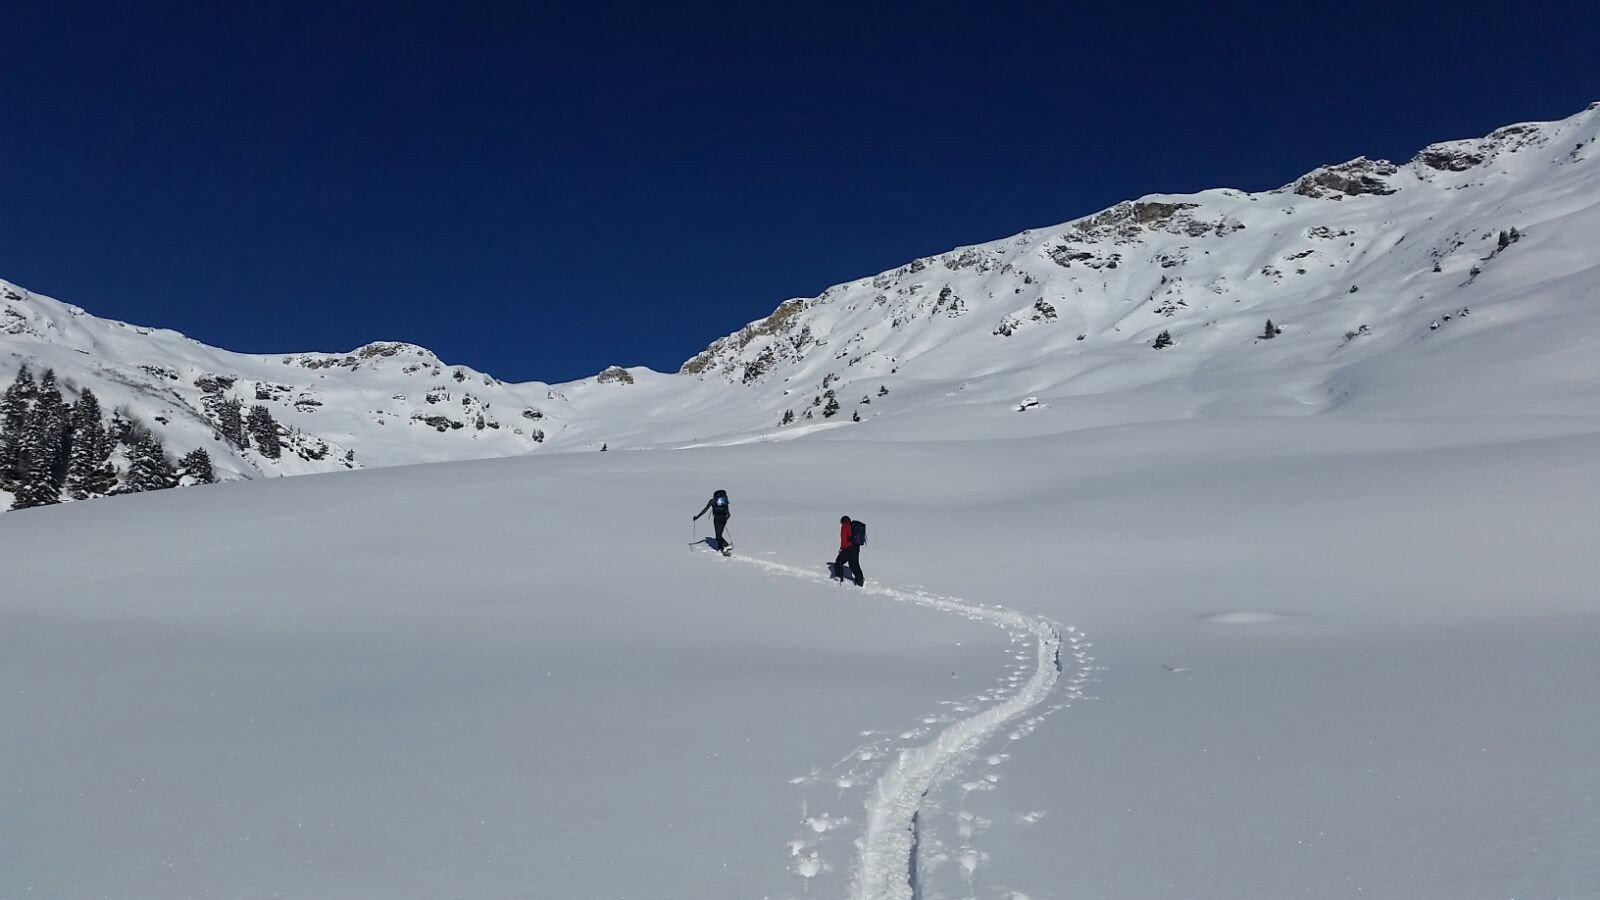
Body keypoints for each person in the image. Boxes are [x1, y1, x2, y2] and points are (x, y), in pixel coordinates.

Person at [834, 515, 864, 586]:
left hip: (849, 548)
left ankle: (838, 578)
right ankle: (860, 581)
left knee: (839, 561)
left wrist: (842, 548)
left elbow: (844, 539)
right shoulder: (851, 526)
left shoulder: (844, 526)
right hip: (856, 547)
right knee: (854, 565)